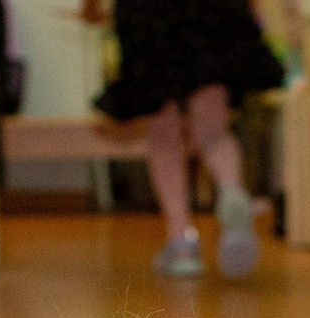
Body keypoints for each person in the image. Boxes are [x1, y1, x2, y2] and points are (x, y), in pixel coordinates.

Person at [86, 0, 290, 279]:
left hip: (149, 13)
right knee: (213, 131)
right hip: (210, 10)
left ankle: (181, 243)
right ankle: (231, 191)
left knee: (162, 132)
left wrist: (91, 6)